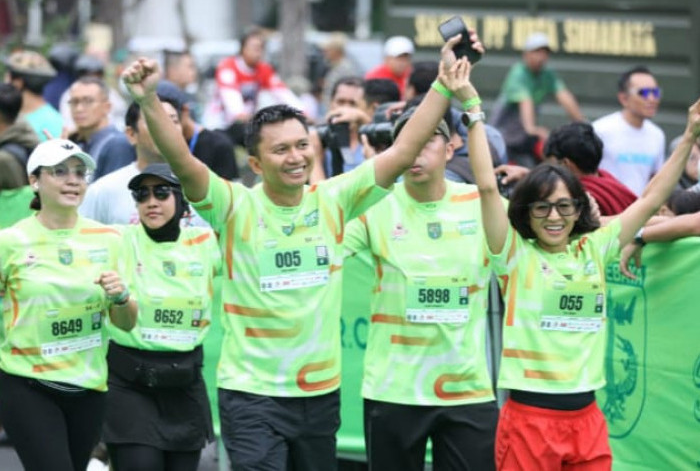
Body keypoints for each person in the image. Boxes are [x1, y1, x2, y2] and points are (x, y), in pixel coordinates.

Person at [120, 31, 483, 470]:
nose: (295, 157)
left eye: (301, 145)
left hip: (319, 395)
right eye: (280, 150)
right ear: (256, 164)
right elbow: (182, 161)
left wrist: (444, 83)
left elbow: (405, 149)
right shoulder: (233, 206)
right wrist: (148, 99)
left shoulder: (334, 200)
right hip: (251, 394)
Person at [462, 46, 700, 468]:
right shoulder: (513, 254)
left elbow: (651, 200)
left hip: (587, 419)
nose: (554, 217)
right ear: (526, 213)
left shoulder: (595, 246)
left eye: (564, 206)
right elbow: (485, 186)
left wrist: (690, 135)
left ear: (579, 210)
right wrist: (473, 109)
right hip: (529, 420)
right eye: (542, 207)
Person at [344, 100, 499, 471]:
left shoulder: (479, 204)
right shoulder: (375, 207)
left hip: (466, 388)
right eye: (406, 143)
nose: (415, 151)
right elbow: (321, 243)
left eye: (426, 140)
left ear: (450, 149)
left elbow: (552, 230)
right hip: (393, 389)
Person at [0, 138, 137, 471]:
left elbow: (126, 322)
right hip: (26, 382)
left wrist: (120, 296)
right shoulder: (10, 242)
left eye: (79, 172)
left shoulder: (110, 239)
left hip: (88, 385)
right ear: (34, 180)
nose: (72, 180)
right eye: (59, 172)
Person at [102, 163, 219, 471]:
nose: (151, 201)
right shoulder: (118, 238)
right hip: (129, 383)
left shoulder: (206, 243)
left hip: (184, 383)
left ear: (182, 199)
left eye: (162, 192)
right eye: (142, 194)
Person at [80, 91, 204, 227]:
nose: (165, 129)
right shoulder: (103, 192)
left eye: (173, 121)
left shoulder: (202, 187)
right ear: (131, 134)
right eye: (153, 122)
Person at [489, 32, 584, 167]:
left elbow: (564, 96)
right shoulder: (518, 74)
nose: (541, 57)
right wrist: (532, 128)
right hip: (503, 141)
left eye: (545, 53)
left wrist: (581, 123)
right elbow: (525, 102)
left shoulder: (547, 74)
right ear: (526, 54)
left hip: (523, 139)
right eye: (537, 52)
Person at [208, 26, 303, 128]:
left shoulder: (264, 69)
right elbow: (232, 102)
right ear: (243, 48)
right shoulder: (228, 67)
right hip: (220, 122)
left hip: (247, 121)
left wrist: (301, 112)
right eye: (255, 48)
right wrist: (246, 116)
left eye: (261, 48)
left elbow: (282, 92)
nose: (259, 52)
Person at [593, 66, 666, 196]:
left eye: (655, 92)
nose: (651, 99)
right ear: (624, 99)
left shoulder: (657, 135)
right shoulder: (600, 130)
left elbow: (656, 180)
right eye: (643, 93)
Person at [543, 122, 637, 216]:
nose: (549, 172)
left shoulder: (578, 197)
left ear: (565, 164)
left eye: (551, 165)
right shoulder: (612, 184)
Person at [66, 76, 134, 179]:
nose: (79, 108)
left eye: (88, 101)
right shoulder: (79, 143)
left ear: (107, 107)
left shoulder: (117, 145)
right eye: (74, 102)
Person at [3, 50, 63, 141]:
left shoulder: (51, 124)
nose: (4, 82)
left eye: (8, 76)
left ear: (18, 83)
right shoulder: (55, 120)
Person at [320, 32, 361, 112]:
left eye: (328, 50)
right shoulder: (335, 66)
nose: (325, 53)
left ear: (336, 51)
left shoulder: (345, 69)